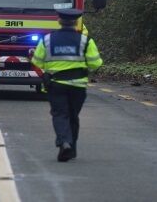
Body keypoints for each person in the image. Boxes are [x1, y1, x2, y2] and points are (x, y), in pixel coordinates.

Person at [31, 9, 103, 162]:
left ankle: (64, 143)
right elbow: (95, 63)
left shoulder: (47, 39)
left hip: (56, 85)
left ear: (58, 21)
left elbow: (37, 61)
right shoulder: (85, 41)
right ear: (76, 22)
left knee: (60, 114)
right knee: (73, 116)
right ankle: (72, 148)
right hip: (78, 87)